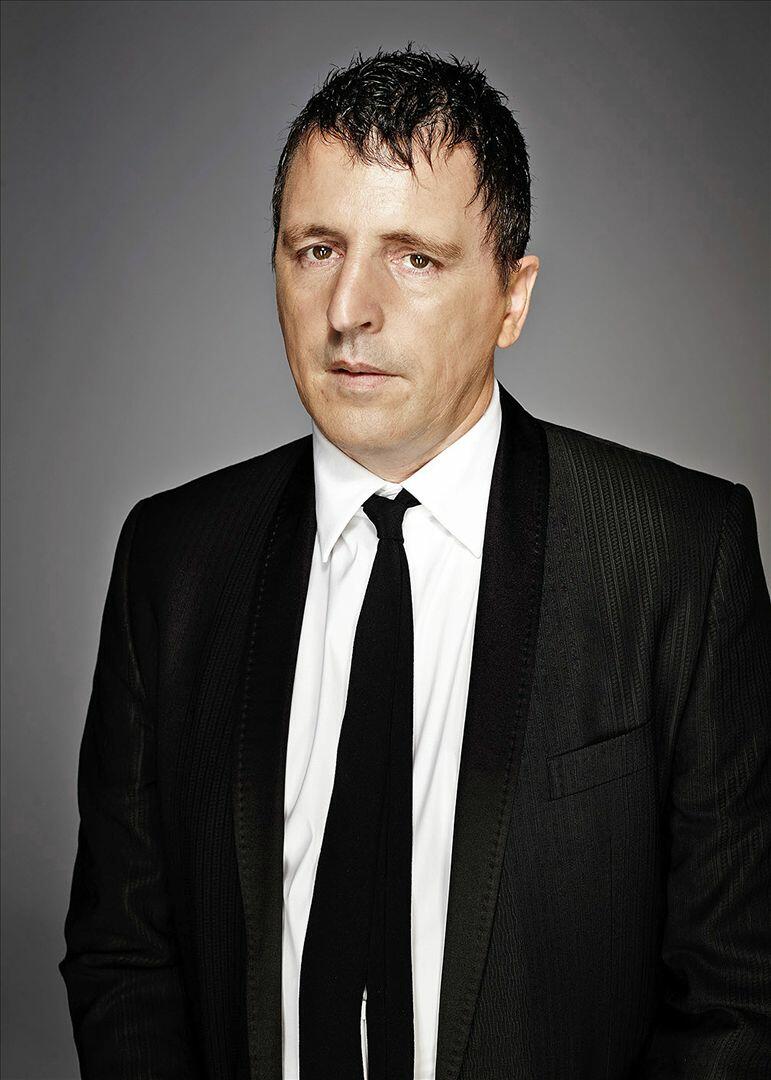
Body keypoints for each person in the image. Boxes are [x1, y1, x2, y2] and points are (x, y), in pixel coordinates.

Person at [59, 45, 771, 1080]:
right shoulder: (171, 561)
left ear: (513, 297)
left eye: (414, 259)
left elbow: (736, 991)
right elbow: (124, 954)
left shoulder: (678, 554)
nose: (349, 308)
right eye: (316, 249)